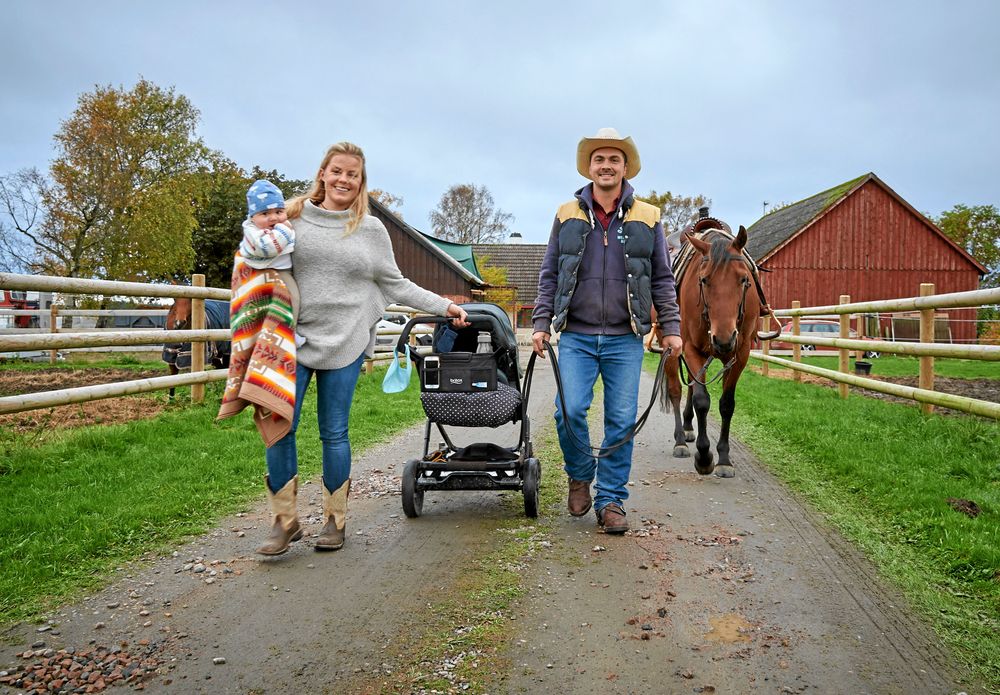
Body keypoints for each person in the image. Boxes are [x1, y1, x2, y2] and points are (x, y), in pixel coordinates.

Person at [257, 142, 469, 556]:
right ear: (323, 173)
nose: (344, 180)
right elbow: (258, 257)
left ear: (361, 181)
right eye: (337, 171)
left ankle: (334, 520)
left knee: (334, 431)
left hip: (346, 338)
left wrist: (445, 305)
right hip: (291, 340)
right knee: (280, 426)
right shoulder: (293, 218)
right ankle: (284, 522)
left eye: (352, 174)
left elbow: (397, 284)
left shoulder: (370, 229)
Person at [532, 127, 683, 535]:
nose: (606, 165)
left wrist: (671, 327)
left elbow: (663, 280)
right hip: (577, 335)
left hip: (626, 336)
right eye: (599, 159)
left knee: (620, 421)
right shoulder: (567, 213)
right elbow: (550, 273)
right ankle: (580, 474)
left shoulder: (648, 217)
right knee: (569, 411)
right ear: (590, 167)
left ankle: (611, 498)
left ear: (625, 167)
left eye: (614, 159)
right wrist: (541, 323)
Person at [238, 179, 301, 334]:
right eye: (265, 214)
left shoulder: (278, 225)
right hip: (268, 272)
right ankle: (288, 333)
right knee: (292, 299)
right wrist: (284, 230)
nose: (273, 218)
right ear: (252, 217)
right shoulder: (254, 232)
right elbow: (268, 248)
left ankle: (287, 331)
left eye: (279, 212)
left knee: (290, 302)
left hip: (282, 271)